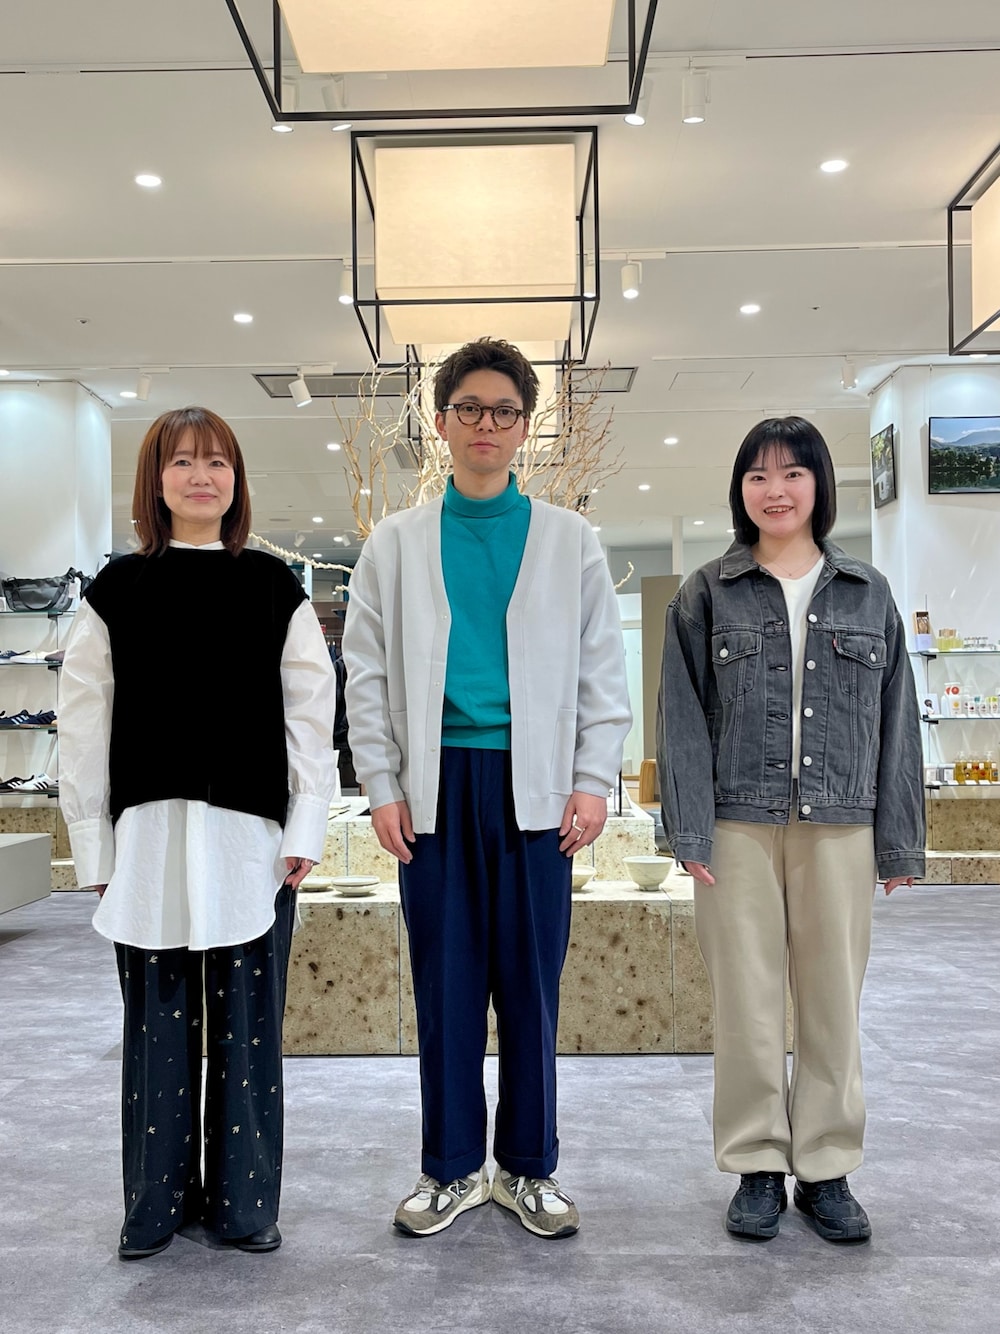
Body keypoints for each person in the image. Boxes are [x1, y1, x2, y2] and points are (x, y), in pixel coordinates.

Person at [343, 337, 631, 1239]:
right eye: (469, 408)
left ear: (524, 428)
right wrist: (381, 784)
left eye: (505, 411)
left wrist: (593, 779)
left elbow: (602, 668)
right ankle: (451, 1169)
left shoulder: (569, 540)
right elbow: (366, 675)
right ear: (441, 422)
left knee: (532, 990)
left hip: (537, 792)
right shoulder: (395, 543)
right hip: (433, 790)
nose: (486, 425)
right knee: (446, 989)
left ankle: (530, 1169)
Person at [59, 406, 337, 1260]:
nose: (201, 476)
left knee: (249, 1034)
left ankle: (245, 1206)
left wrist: (307, 823)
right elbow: (83, 723)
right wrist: (93, 843)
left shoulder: (274, 588)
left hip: (252, 845)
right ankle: (154, 1204)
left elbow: (309, 714)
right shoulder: (115, 592)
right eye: (181, 461)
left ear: (236, 479)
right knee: (156, 1032)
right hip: (147, 842)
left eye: (216, 461)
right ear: (156, 479)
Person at [656, 416, 924, 1244]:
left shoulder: (868, 592)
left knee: (833, 1003)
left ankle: (828, 1167)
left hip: (841, 824)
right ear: (740, 490)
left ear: (819, 485)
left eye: (792, 474)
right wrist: (689, 831)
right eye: (758, 476)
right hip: (736, 823)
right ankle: (757, 1166)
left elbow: (897, 720)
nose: (775, 491)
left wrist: (899, 839)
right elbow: (681, 719)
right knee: (747, 1004)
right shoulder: (707, 592)